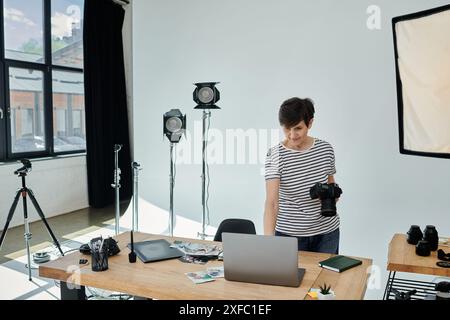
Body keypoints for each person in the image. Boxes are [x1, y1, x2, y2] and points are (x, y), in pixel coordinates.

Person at [264, 97, 340, 254]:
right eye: (287, 129)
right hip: (289, 236)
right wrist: (268, 242)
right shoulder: (275, 155)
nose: (292, 135)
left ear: (310, 123)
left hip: (327, 233)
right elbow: (272, 202)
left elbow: (331, 184)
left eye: (298, 128)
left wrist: (332, 195)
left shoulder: (326, 149)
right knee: (289, 279)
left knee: (327, 279)